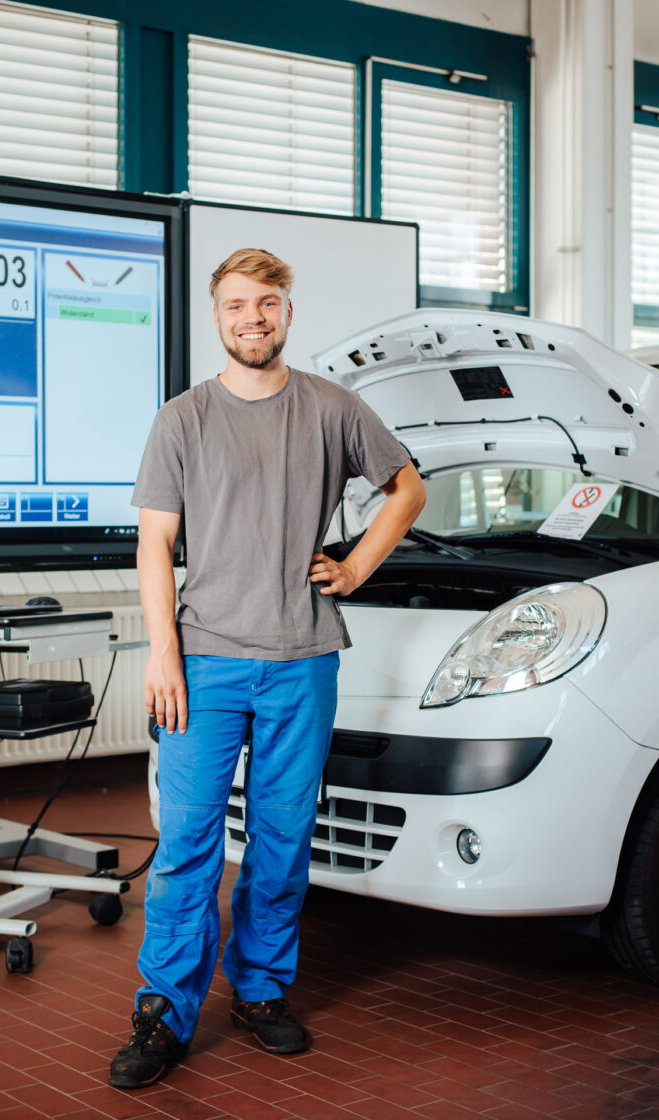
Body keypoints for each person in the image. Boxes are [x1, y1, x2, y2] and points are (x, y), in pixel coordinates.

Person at [109, 248, 426, 1090]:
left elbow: (407, 488)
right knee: (187, 849)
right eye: (238, 304)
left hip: (303, 662)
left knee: (283, 846)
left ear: (288, 313)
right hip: (203, 664)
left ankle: (259, 990)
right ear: (216, 316)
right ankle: (164, 1014)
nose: (254, 317)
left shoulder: (332, 408)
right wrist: (163, 656)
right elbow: (155, 545)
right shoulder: (181, 419)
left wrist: (355, 569)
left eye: (269, 303)